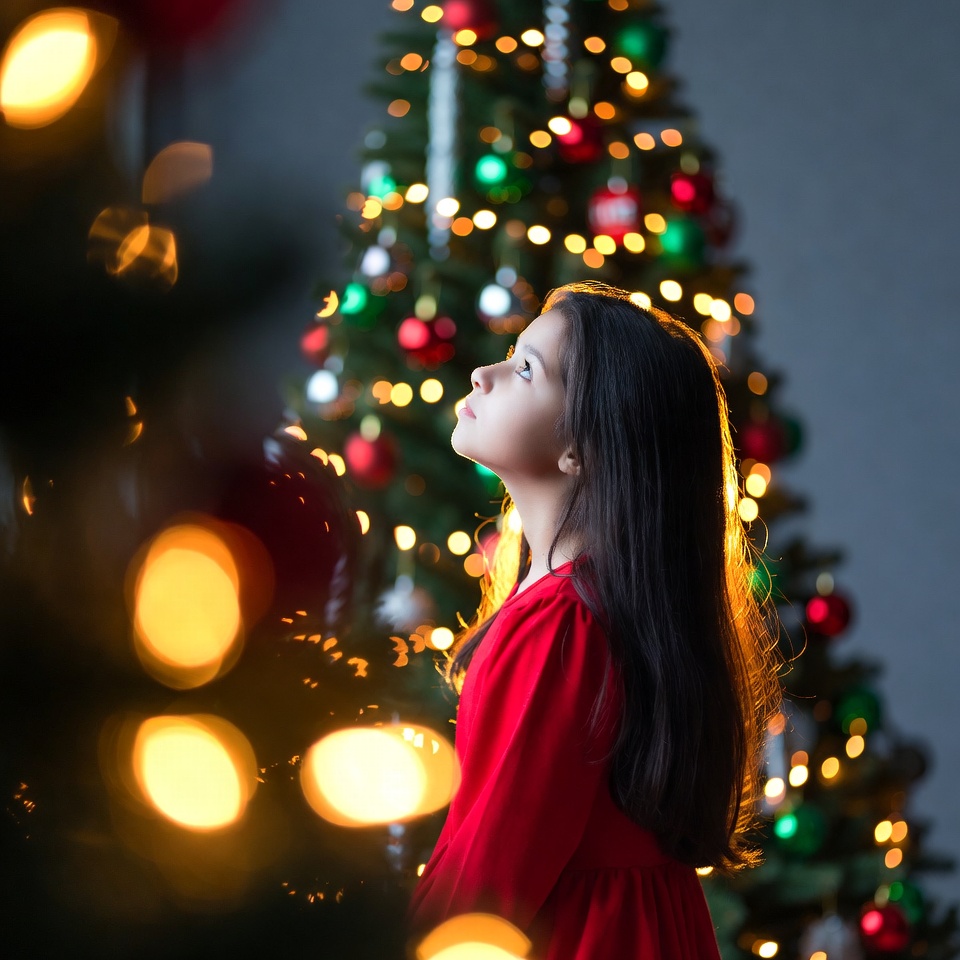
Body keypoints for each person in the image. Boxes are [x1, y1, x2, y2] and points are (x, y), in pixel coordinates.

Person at [406, 281, 783, 958]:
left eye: (525, 369)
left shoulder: (562, 625)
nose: (481, 373)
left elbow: (493, 876)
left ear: (582, 444)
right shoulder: (595, 604)